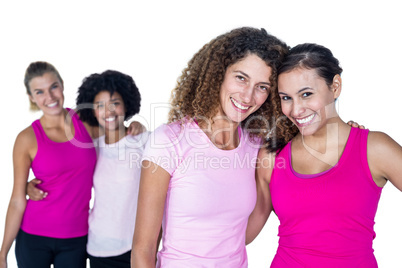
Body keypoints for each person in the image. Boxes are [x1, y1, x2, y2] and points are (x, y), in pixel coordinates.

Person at [131, 27, 289, 267]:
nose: (248, 96)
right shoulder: (169, 140)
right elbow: (144, 249)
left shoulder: (256, 145)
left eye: (262, 87)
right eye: (241, 78)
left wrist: (350, 132)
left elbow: (238, 237)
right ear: (219, 74)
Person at [247, 43, 402, 267]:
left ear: (335, 86)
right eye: (286, 98)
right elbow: (247, 232)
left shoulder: (373, 148)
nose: (296, 110)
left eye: (306, 94)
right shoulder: (272, 156)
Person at [0, 61, 97, 268]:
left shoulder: (86, 121)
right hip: (33, 237)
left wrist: (136, 125)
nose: (50, 97)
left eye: (53, 87)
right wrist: (2, 254)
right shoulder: (26, 139)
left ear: (62, 85)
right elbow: (17, 200)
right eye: (40, 91)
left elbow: (119, 138)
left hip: (76, 237)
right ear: (32, 98)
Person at [76, 70, 148, 268]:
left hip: (136, 246)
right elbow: (66, 177)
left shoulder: (144, 141)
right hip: (99, 246)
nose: (108, 112)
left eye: (115, 103)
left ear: (126, 104)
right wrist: (30, 185)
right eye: (100, 106)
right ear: (93, 111)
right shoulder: (92, 147)